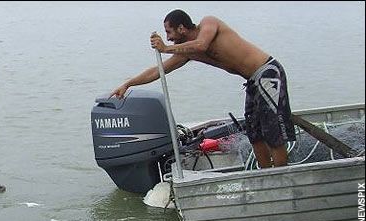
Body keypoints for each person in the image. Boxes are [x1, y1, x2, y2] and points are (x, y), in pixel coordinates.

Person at [109, 9, 295, 168]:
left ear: (181, 28)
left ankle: (281, 176)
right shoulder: (187, 52)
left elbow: (202, 44)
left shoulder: (209, 24)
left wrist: (165, 48)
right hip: (253, 82)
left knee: (273, 132)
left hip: (267, 72)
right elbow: (157, 71)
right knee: (255, 134)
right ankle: (266, 174)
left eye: (169, 32)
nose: (168, 38)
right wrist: (128, 84)